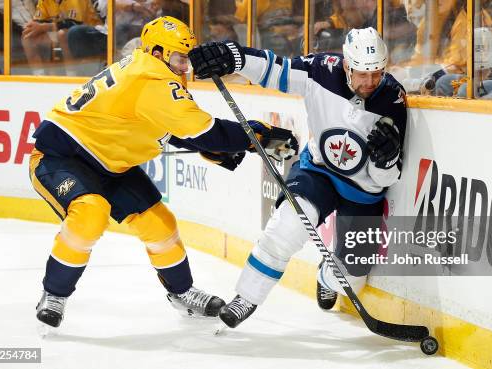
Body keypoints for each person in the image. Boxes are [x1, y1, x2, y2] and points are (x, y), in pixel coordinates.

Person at [30, 16, 298, 328]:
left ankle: (182, 293)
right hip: (61, 157)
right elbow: (207, 131)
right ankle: (54, 294)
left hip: (112, 163)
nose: (186, 66)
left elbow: (169, 128)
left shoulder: (149, 69)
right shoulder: (152, 79)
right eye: (180, 58)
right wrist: (257, 133)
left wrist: (212, 144)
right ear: (158, 53)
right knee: (90, 214)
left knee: (160, 225)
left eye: (186, 57)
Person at [189, 27, 407, 328]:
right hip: (317, 171)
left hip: (363, 190)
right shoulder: (321, 71)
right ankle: (246, 298)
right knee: (287, 224)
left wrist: (387, 159)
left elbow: (386, 178)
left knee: (351, 279)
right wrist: (233, 57)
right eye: (361, 74)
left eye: (377, 74)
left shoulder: (393, 100)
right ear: (346, 64)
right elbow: (275, 69)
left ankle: (326, 277)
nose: (370, 82)